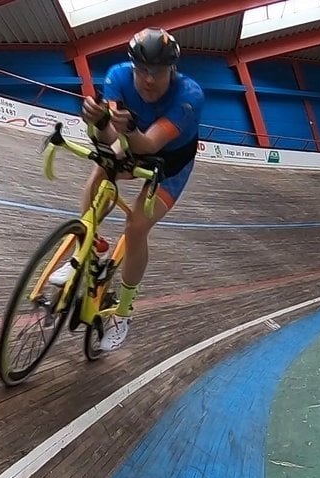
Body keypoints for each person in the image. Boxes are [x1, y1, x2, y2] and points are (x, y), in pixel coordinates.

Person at [49, 27, 204, 352]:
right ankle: (83, 253)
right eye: (142, 70)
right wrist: (97, 121)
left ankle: (123, 311)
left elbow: (148, 143)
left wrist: (127, 126)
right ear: (132, 66)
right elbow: (107, 139)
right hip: (135, 146)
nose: (148, 79)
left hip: (170, 166)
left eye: (157, 72)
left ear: (171, 70)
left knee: (136, 227)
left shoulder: (189, 95)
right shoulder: (118, 76)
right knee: (99, 175)